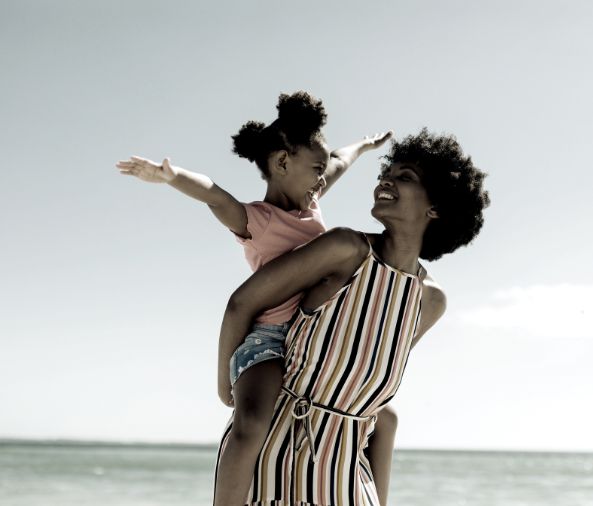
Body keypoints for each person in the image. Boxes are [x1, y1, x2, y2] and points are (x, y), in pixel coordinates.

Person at [115, 91, 396, 505]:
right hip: (268, 343)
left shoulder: (312, 202)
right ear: (282, 163)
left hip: (316, 339)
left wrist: (366, 146)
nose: (322, 177)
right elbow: (215, 194)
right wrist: (172, 177)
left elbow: (339, 159)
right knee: (251, 424)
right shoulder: (257, 221)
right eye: (314, 169)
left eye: (322, 171)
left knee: (381, 415)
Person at [215, 128, 490, 505]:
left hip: (344, 475)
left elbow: (368, 392)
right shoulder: (345, 249)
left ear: (436, 208)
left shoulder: (430, 300)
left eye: (404, 176)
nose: (386, 180)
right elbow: (242, 303)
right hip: (273, 458)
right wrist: (227, 385)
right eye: (386, 173)